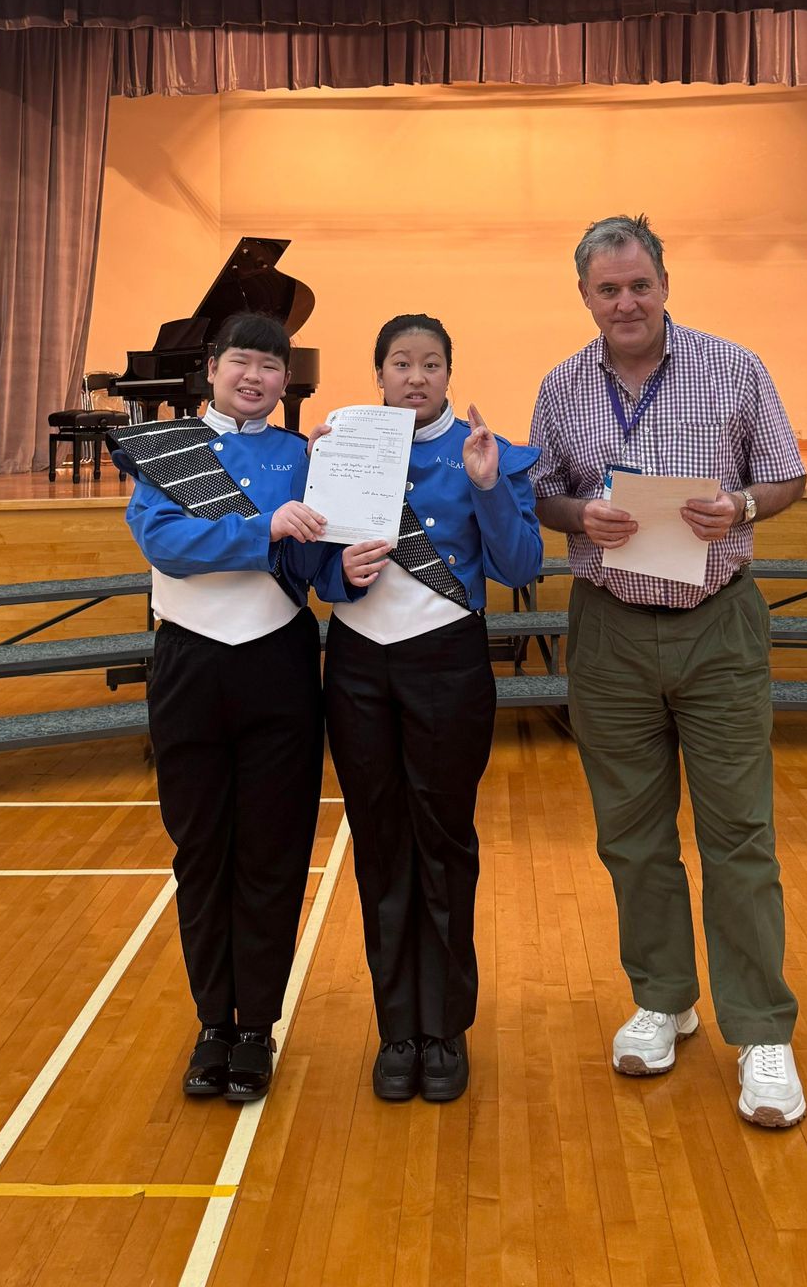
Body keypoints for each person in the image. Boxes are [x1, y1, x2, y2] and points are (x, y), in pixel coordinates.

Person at [529, 215, 807, 1127]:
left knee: (740, 835)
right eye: (608, 289)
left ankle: (760, 1028)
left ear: (664, 283)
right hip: (609, 631)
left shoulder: (735, 367)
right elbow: (543, 494)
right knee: (632, 835)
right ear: (585, 296)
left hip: (718, 626)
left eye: (639, 284)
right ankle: (664, 999)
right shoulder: (561, 386)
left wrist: (741, 507)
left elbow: (788, 477)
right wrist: (580, 516)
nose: (626, 302)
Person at [113, 312, 378, 1105]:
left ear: (285, 380)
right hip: (189, 664)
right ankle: (212, 1023)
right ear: (211, 369)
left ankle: (256, 1024)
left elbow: (316, 564)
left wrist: (345, 566)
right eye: (241, 362)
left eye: (270, 366)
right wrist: (263, 526)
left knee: (273, 850)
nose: (254, 377)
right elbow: (164, 544)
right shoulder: (168, 448)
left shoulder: (302, 456)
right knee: (200, 850)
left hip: (277, 663)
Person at [312, 315, 544, 1105]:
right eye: (401, 363)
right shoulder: (343, 448)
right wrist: (340, 570)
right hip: (356, 667)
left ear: (450, 373)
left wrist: (487, 486)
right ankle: (397, 1030)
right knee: (380, 845)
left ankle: (444, 1028)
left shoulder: (486, 453)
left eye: (431, 364)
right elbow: (315, 571)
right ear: (378, 373)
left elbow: (520, 567)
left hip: (447, 663)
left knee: (444, 845)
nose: (416, 377)